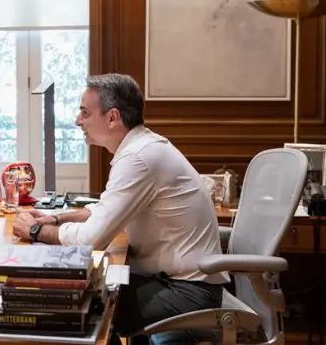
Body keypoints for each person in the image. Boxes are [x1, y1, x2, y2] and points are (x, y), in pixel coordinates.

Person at [13, 73, 229, 345]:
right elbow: (103, 209)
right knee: (86, 293)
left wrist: (35, 230)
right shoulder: (140, 147)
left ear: (112, 117)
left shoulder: (138, 158)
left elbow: (91, 240)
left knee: (79, 308)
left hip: (187, 292)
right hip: (178, 282)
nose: (78, 121)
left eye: (84, 112)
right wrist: (54, 217)